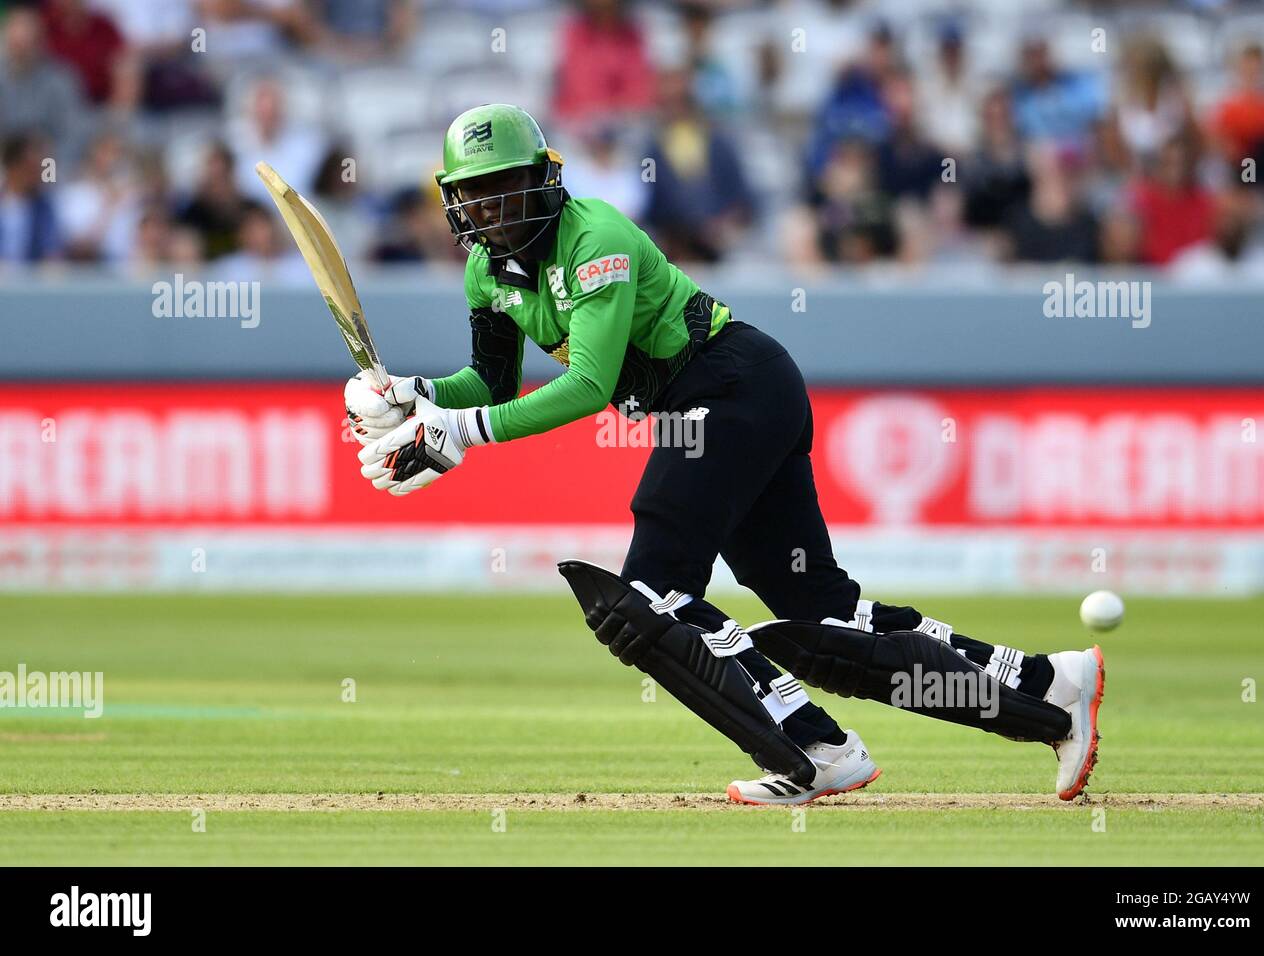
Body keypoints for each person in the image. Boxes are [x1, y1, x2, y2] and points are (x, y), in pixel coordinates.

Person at [343, 104, 1106, 805]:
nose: (492, 212)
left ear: (545, 178)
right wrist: (414, 395)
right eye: (475, 196)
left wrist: (463, 431)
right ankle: (1047, 684)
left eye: (506, 188)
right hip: (710, 404)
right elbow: (488, 381)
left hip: (731, 386)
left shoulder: (595, 239)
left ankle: (816, 748)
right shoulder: (486, 270)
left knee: (651, 592)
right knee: (821, 611)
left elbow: (586, 386)